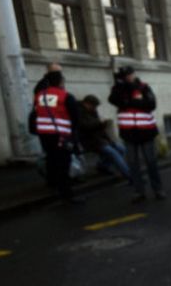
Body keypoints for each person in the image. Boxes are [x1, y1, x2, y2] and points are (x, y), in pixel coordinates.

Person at [109, 65, 163, 203]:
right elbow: (113, 100)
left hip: (146, 131)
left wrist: (130, 102)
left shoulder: (143, 87)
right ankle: (139, 192)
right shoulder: (119, 89)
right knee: (133, 164)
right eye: (125, 75)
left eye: (129, 74)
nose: (128, 77)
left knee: (151, 162)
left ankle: (158, 189)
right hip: (129, 132)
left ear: (133, 74)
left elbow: (151, 104)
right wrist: (122, 88)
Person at [33, 70, 83, 204]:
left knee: (51, 160)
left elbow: (35, 112)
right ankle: (67, 195)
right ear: (61, 82)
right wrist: (73, 136)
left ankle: (54, 186)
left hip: (45, 135)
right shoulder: (65, 96)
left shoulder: (39, 96)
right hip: (61, 135)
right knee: (63, 165)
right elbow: (76, 118)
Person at [77, 95, 131, 184]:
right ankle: (129, 175)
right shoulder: (79, 112)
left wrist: (109, 139)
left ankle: (103, 166)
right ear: (87, 104)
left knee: (121, 148)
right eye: (93, 106)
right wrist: (99, 123)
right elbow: (85, 126)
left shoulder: (93, 112)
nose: (95, 109)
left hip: (99, 139)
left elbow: (100, 129)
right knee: (113, 153)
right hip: (89, 141)